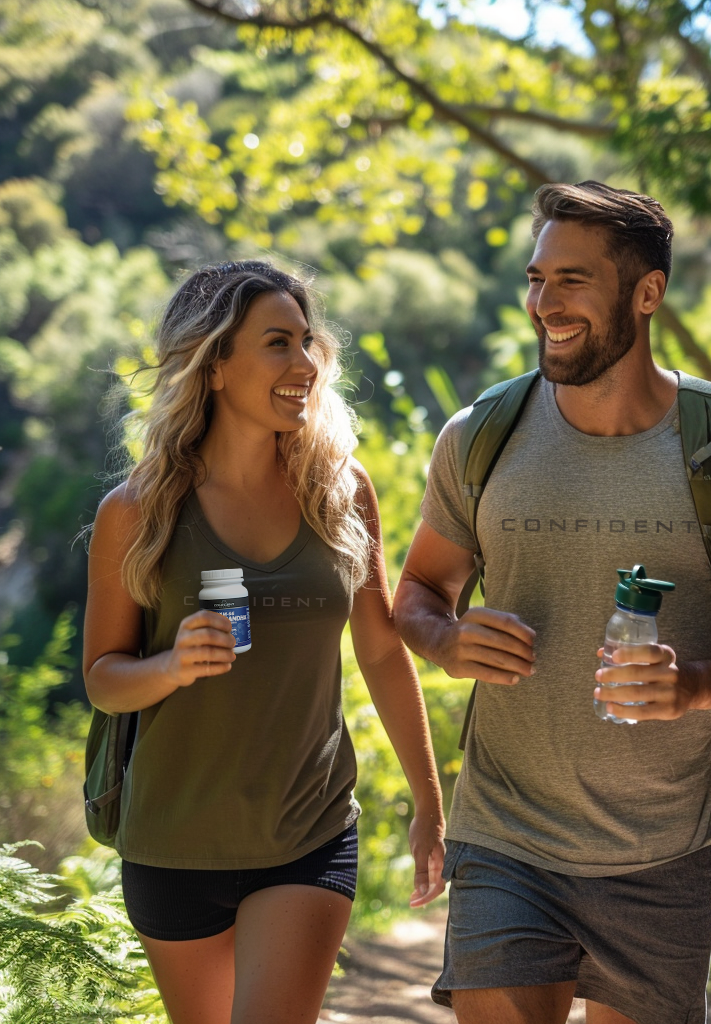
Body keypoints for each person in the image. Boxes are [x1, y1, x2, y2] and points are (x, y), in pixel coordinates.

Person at [392, 181, 711, 1024]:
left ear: (647, 292)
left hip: (666, 850)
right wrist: (443, 640)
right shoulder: (478, 437)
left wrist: (696, 685)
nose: (542, 303)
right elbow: (416, 590)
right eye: (535, 278)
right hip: (507, 831)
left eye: (572, 281)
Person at [83, 259, 446, 1024]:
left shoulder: (339, 491)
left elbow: (380, 649)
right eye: (277, 343)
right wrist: (172, 665)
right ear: (214, 366)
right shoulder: (139, 511)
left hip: (307, 830)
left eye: (308, 342)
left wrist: (430, 801)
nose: (305, 363)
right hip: (173, 842)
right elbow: (104, 678)